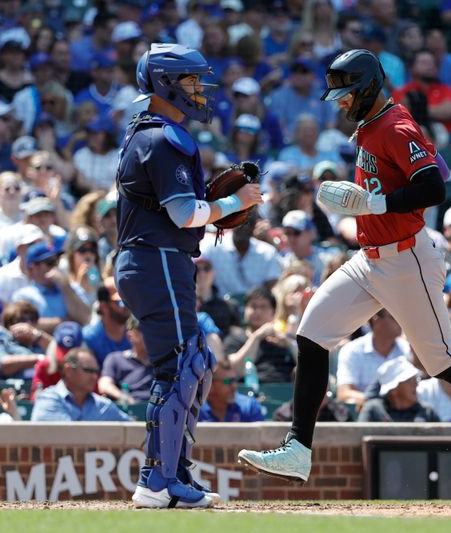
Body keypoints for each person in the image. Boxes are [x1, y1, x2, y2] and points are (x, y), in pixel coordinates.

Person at [237, 49, 451, 483]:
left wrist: (375, 202)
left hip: (408, 260)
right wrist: (367, 201)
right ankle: (298, 448)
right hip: (370, 257)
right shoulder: (375, 123)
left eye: (348, 94)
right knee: (311, 335)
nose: (342, 103)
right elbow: (430, 162)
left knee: (443, 363)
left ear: (368, 88)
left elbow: (433, 186)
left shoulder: (394, 124)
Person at [113, 44, 261, 509]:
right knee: (179, 367)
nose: (200, 90)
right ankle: (157, 481)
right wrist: (238, 203)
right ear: (166, 82)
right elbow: (185, 213)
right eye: (192, 81)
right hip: (156, 258)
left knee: (196, 362)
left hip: (157, 259)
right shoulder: (163, 138)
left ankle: (173, 473)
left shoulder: (151, 133)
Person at [31, 347, 131, 423]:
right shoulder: (48, 399)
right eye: (89, 371)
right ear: (68, 370)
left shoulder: (103, 405)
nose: (94, 377)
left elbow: (134, 429)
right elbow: (67, 437)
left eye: (96, 372)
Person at [335, 308, 409, 407]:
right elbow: (344, 393)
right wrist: (379, 406)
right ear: (376, 319)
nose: (401, 321)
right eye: (394, 316)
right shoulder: (352, 350)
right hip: (367, 419)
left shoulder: (407, 349)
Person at [224, 286, 296, 383]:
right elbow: (234, 371)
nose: (258, 312)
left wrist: (289, 344)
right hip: (249, 393)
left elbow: (308, 368)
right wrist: (256, 338)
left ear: (273, 312)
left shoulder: (284, 340)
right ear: (245, 310)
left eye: (263, 307)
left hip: (285, 392)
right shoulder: (234, 338)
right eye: (253, 306)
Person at [358, 356, 440, 423]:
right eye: (410, 381)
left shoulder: (428, 412)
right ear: (393, 390)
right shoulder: (373, 410)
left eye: (415, 379)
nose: (416, 384)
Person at [99, 315, 153, 404]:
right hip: (129, 411)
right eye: (143, 330)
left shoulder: (162, 361)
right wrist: (123, 397)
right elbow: (104, 384)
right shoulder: (116, 359)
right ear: (130, 336)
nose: (150, 335)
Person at [83, 277, 131, 366]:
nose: (126, 306)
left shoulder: (138, 335)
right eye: (120, 302)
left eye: (128, 300)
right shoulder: (89, 338)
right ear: (103, 307)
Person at [198, 359, 265, 422]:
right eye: (227, 381)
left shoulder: (249, 406)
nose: (234, 386)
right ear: (210, 384)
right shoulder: (195, 410)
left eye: (234, 380)